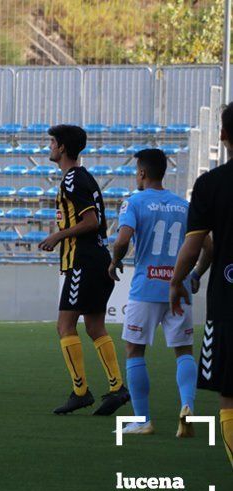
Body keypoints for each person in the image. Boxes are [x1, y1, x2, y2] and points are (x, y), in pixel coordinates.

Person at [109, 148, 207, 435]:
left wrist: (115, 261)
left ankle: (143, 420)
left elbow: (123, 239)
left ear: (141, 172)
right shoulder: (184, 206)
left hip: (146, 289)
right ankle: (187, 406)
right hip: (180, 289)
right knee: (184, 351)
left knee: (134, 350)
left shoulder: (134, 202)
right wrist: (196, 274)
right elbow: (208, 246)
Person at [38, 124, 130, 415]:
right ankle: (116, 388)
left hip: (84, 261)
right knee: (94, 326)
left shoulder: (72, 180)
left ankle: (80, 391)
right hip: (97, 260)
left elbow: (90, 222)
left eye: (53, 142)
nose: (50, 147)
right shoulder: (83, 177)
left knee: (65, 326)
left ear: (63, 147)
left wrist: (57, 235)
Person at [170, 102, 233, 491]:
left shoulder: (211, 184)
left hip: (229, 302)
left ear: (224, 136)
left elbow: (194, 245)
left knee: (231, 395)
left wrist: (176, 281)